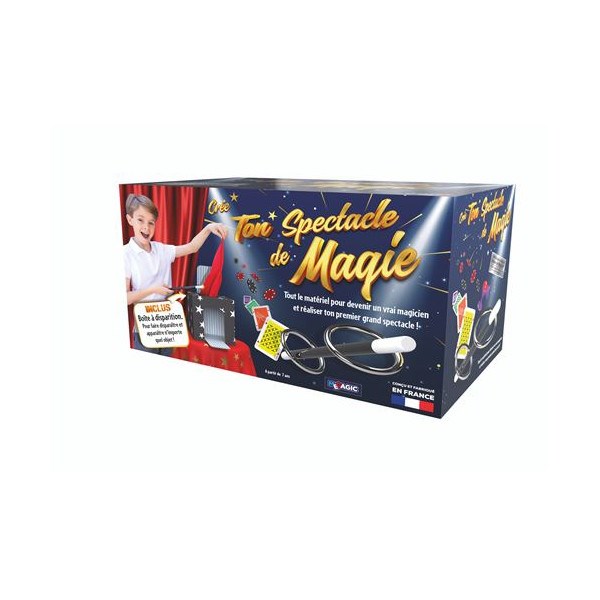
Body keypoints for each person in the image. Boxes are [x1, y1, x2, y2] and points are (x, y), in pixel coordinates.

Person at [123, 193, 227, 354]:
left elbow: (192, 247)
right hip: (144, 328)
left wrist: (208, 228)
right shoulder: (125, 254)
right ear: (130, 220)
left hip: (169, 325)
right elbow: (125, 297)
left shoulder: (161, 250)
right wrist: (154, 289)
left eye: (151, 222)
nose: (146, 227)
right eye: (140, 220)